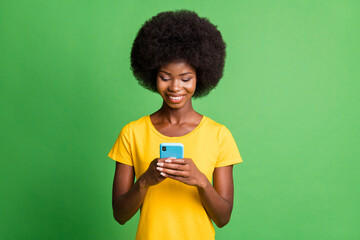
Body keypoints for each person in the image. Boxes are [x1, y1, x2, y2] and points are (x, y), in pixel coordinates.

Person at [108, 10, 243, 240]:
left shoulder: (219, 135)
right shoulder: (132, 133)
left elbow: (223, 218)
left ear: (200, 77)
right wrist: (145, 181)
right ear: (152, 75)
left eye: (185, 78)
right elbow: (120, 215)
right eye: (165, 77)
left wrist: (200, 181)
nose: (175, 87)